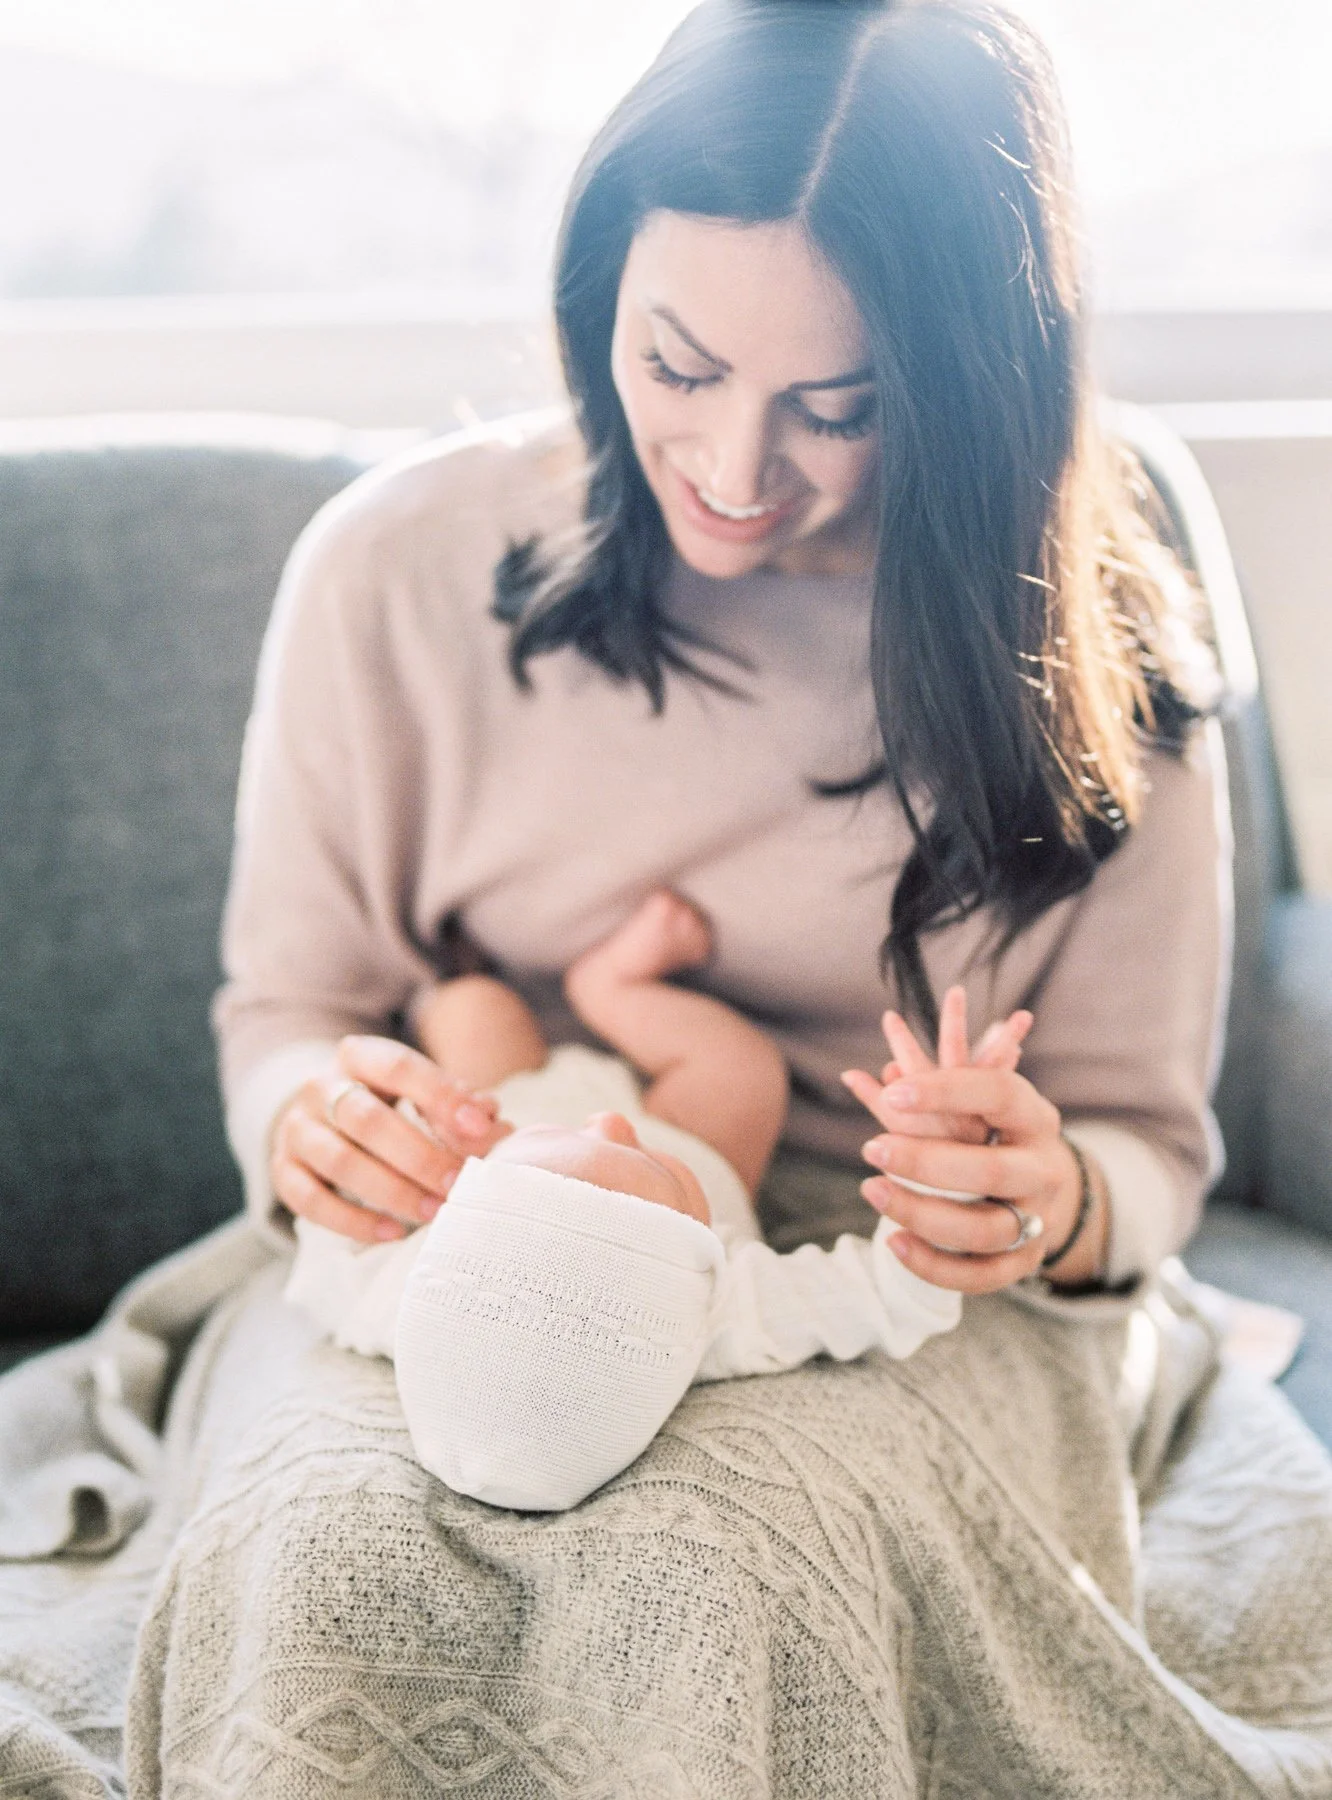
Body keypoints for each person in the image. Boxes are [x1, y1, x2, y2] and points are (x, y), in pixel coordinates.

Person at [184, 2, 1327, 1791]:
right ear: (595, 297)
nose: (730, 474)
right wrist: (316, 1127)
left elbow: (1145, 1159)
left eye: (837, 405)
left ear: (966, 378)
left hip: (891, 1276)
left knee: (713, 1570)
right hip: (475, 1218)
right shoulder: (392, 574)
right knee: (347, 1555)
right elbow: (286, 1013)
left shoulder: (1098, 658)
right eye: (676, 361)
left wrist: (1042, 1199)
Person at [285, 890, 1028, 1509]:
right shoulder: (712, 1312)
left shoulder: (398, 1292)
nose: (611, 1122)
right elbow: (888, 1292)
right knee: (740, 1073)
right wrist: (945, 1177)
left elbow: (328, 1258)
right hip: (678, 1133)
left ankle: (462, 1011)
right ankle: (611, 990)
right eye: (654, 1182)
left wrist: (387, 1132)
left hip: (502, 1111)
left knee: (473, 1006)